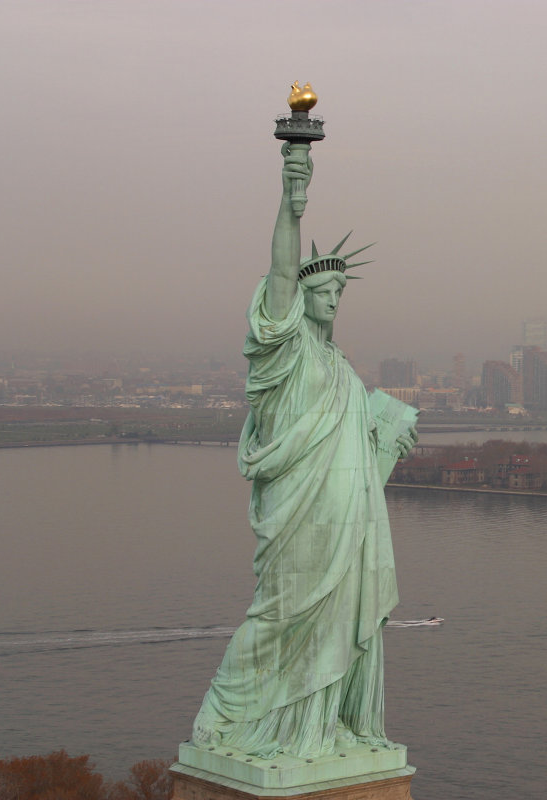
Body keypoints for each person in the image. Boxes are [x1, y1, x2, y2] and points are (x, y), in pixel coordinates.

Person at [190, 141, 417, 760]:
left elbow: (361, 471)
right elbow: (284, 270)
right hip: (298, 519)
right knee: (279, 615)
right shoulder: (286, 352)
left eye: (341, 291)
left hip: (346, 525)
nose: (334, 299)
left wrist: (388, 439)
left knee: (335, 623)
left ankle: (319, 724)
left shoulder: (344, 371)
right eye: (325, 290)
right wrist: (292, 206)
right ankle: (224, 713)